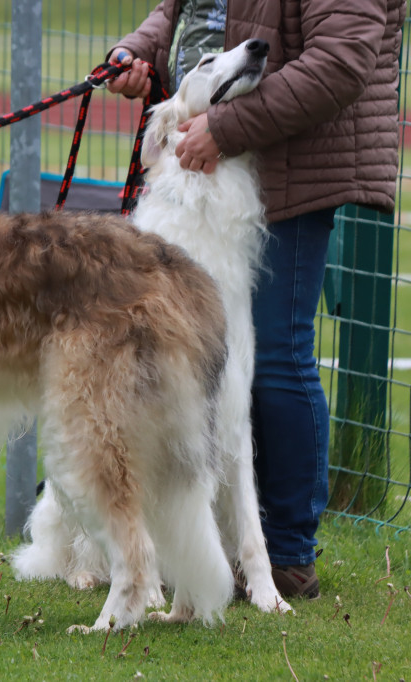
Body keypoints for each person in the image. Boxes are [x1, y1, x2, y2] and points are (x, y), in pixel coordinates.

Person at [104, 0, 405, 599]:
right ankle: (197, 549)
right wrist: (139, 49)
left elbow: (340, 61)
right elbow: (188, 8)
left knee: (270, 358)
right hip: (206, 171)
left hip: (286, 168)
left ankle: (286, 555)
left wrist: (226, 129)